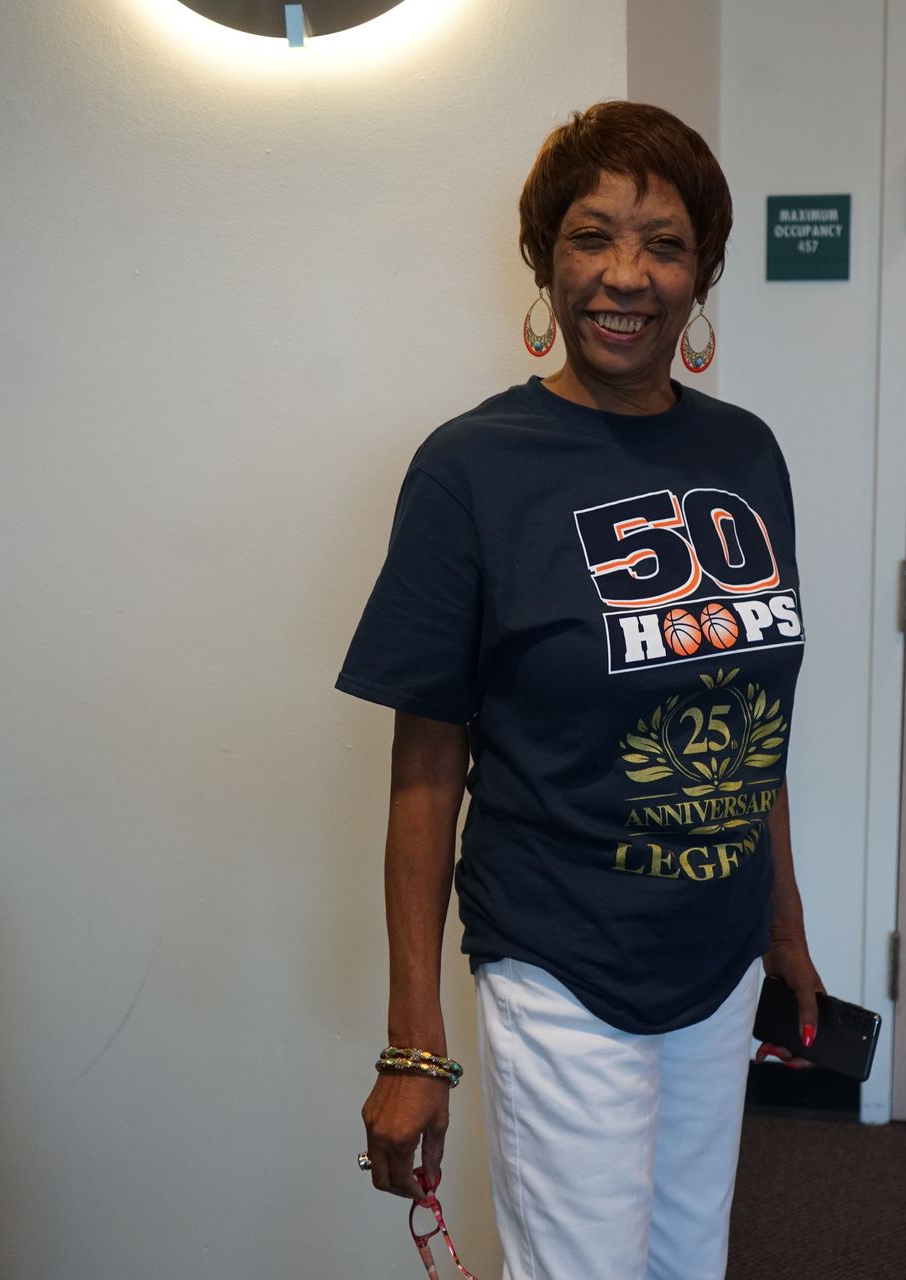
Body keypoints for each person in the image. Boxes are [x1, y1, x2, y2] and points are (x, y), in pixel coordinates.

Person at [336, 100, 823, 1279]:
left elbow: (751, 715)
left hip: (714, 952)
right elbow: (426, 766)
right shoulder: (472, 468)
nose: (624, 275)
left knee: (684, 1256)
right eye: (591, 236)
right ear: (543, 257)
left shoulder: (745, 453)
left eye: (662, 243)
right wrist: (414, 1044)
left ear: (702, 269)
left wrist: (784, 922)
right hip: (561, 953)